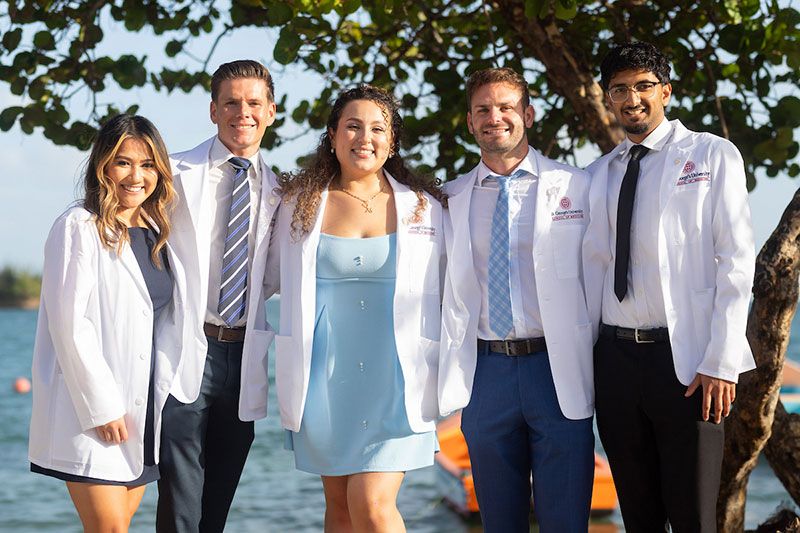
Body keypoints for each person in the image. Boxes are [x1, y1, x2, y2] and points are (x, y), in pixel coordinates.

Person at [582, 41, 756, 532]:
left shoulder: (711, 155)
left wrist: (721, 361)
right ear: (607, 98)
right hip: (614, 363)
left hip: (687, 366)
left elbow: (736, 261)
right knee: (638, 517)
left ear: (666, 91)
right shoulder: (597, 174)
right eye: (620, 89)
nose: (632, 98)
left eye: (643, 86)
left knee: (694, 518)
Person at [273, 84, 446, 532]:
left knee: (371, 504)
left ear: (392, 142)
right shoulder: (298, 204)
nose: (364, 138)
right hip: (325, 381)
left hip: (397, 381)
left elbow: (460, 294)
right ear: (332, 135)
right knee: (341, 509)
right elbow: (264, 279)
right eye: (352, 126)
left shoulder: (425, 208)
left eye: (377, 129)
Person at [437, 67, 595, 532]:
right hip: (486, 376)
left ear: (527, 113)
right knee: (499, 523)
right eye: (483, 109)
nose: (495, 117)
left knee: (565, 521)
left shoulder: (576, 186)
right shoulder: (448, 199)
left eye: (506, 107)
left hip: (557, 369)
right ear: (469, 122)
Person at [29, 114, 191, 532]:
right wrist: (102, 405)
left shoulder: (158, 232)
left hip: (143, 411)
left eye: (148, 164)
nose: (136, 176)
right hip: (93, 410)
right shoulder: (78, 227)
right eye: (123, 162)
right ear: (102, 166)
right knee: (111, 529)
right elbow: (69, 325)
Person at [157, 60, 282, 532]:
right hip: (188, 348)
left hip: (245, 353)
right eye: (231, 102)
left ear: (271, 111)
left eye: (253, 103)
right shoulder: (171, 174)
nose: (242, 112)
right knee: (180, 501)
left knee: (218, 504)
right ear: (213, 110)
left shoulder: (282, 192)